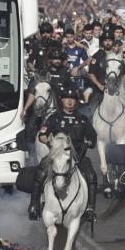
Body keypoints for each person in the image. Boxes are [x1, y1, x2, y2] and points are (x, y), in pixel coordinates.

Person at [30, 83, 98, 223]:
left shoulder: (83, 120)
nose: (69, 101)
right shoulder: (54, 118)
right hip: (56, 157)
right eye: (66, 98)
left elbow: (93, 137)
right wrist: (46, 140)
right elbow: (43, 134)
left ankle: (90, 209)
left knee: (92, 175)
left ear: (76, 101)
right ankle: (34, 205)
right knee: (40, 172)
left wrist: (90, 142)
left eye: (73, 98)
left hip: (78, 157)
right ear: (61, 100)